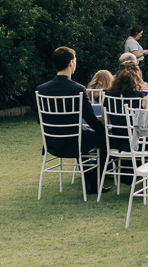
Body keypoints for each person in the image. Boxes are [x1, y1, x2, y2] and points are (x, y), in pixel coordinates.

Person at [36, 47, 111, 195]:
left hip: (52, 143)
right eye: (75, 61)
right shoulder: (78, 89)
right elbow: (91, 120)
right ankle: (93, 183)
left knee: (87, 136)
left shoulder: (41, 89)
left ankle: (88, 180)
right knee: (104, 139)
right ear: (71, 63)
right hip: (75, 142)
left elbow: (40, 120)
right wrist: (106, 130)